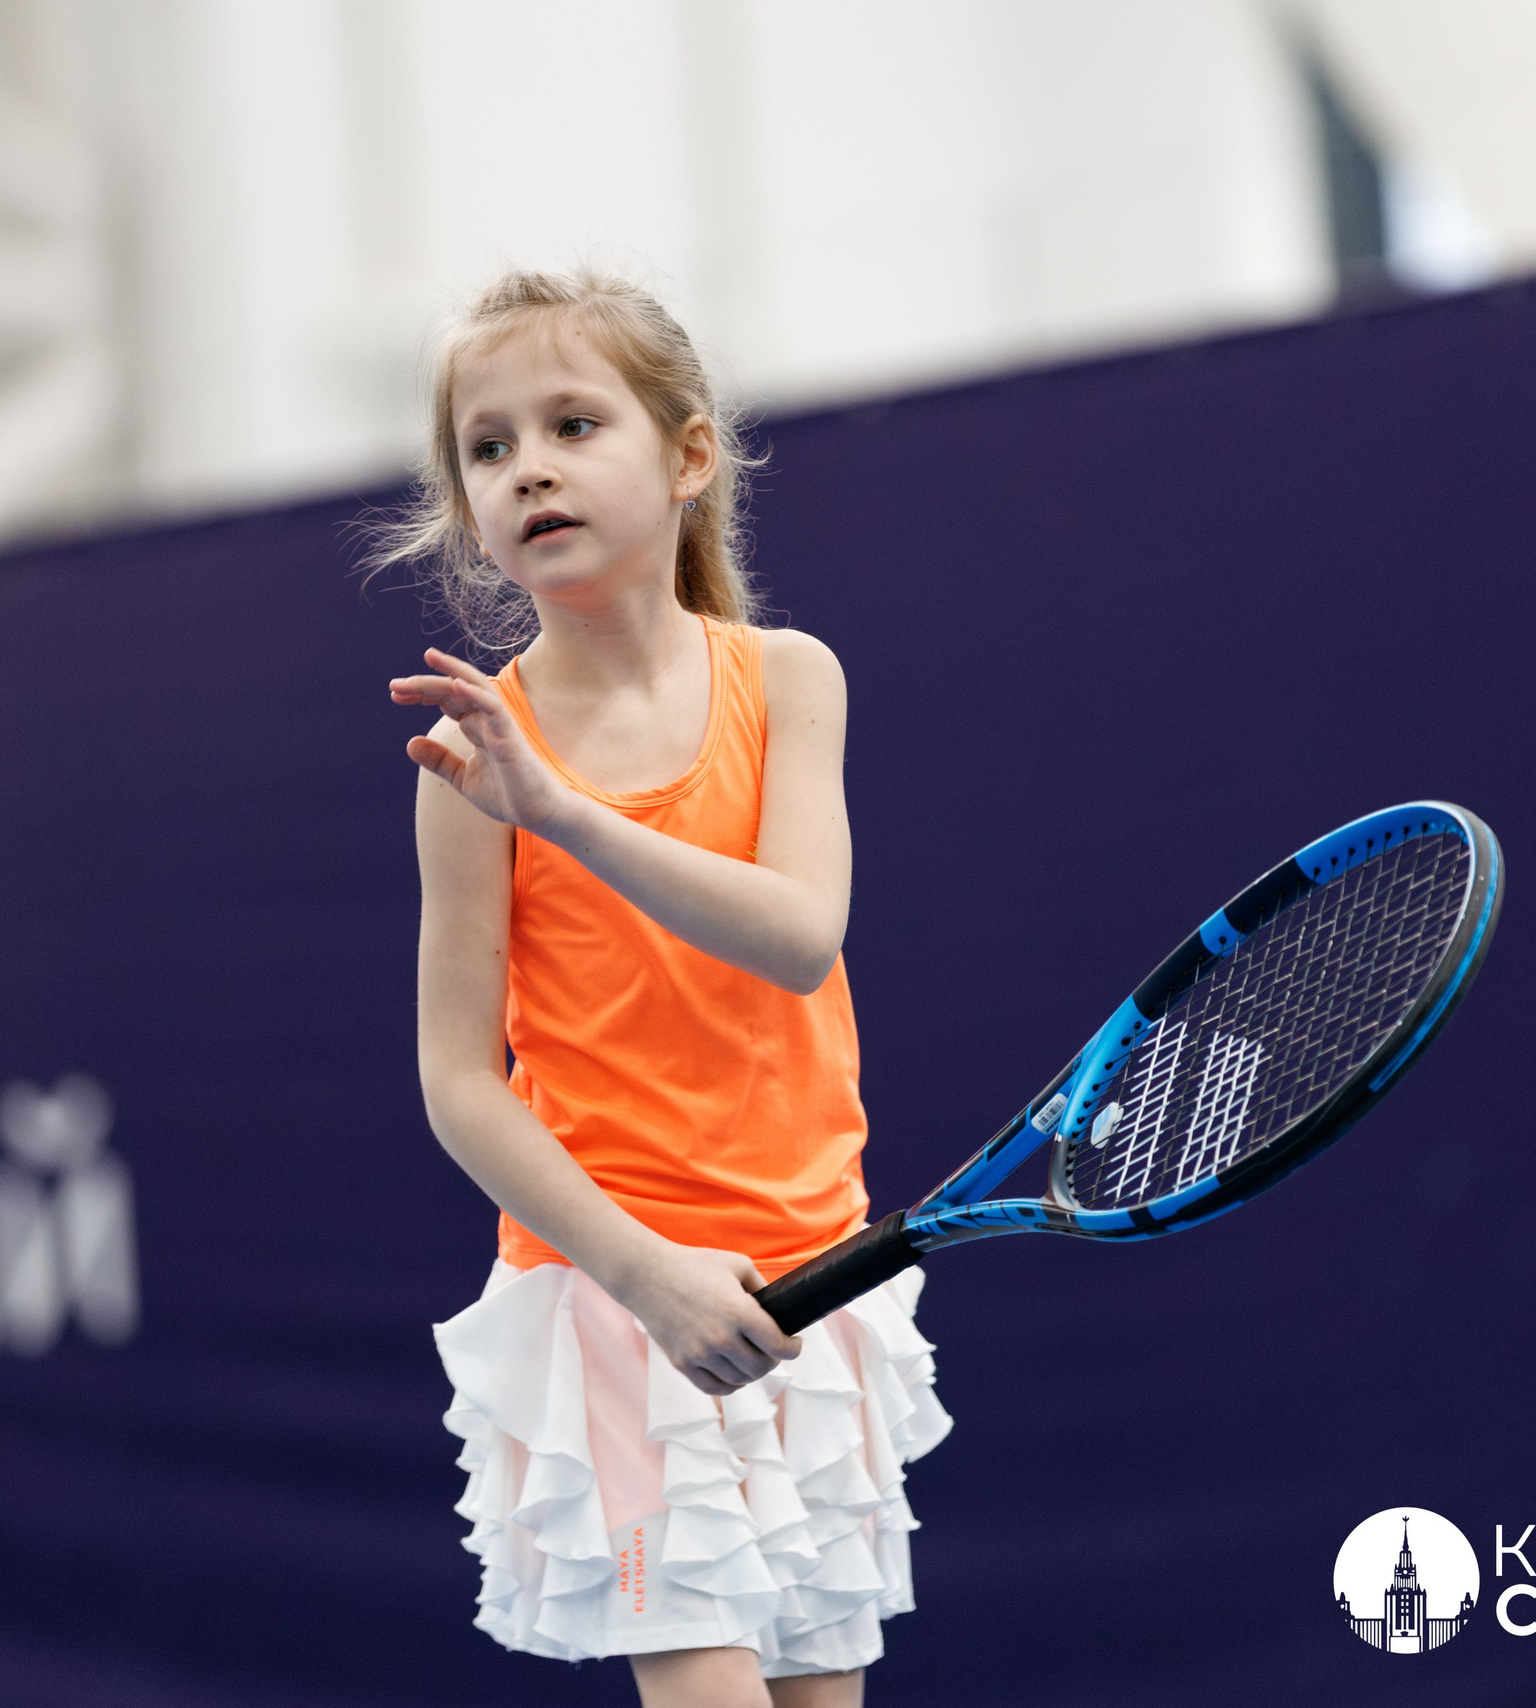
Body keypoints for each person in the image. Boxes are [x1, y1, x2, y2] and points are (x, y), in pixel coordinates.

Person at [379, 269, 949, 1708]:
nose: (531, 468)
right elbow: (459, 1084)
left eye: (574, 422)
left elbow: (796, 935)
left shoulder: (790, 679)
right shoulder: (469, 769)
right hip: (612, 1302)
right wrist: (644, 1277)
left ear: (690, 455)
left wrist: (561, 809)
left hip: (818, 1287)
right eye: (490, 448)